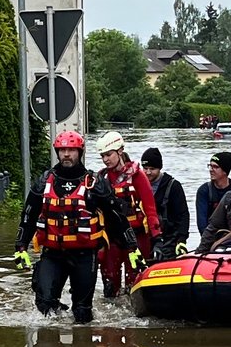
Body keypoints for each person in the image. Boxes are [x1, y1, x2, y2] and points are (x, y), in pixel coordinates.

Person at [15, 131, 139, 325]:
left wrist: (132, 247)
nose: (66, 154)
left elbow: (117, 218)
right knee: (45, 306)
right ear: (57, 152)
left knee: (82, 314)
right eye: (62, 150)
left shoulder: (95, 184)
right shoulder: (44, 181)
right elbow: (29, 215)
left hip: (84, 255)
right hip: (52, 254)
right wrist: (20, 246)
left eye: (71, 150)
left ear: (79, 152)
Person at [94, 131, 160, 297]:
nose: (105, 159)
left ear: (120, 151)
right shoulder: (101, 178)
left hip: (137, 238)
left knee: (135, 283)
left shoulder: (137, 176)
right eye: (102, 156)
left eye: (108, 155)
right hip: (112, 238)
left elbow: (150, 209)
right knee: (109, 285)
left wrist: (157, 238)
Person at [139, 147, 190, 260]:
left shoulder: (173, 186)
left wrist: (181, 240)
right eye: (145, 168)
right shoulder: (137, 185)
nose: (148, 172)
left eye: (152, 169)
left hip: (168, 241)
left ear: (160, 168)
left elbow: (183, 215)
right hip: (145, 239)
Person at [195, 151, 231, 238]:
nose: (210, 170)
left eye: (215, 167)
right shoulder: (204, 190)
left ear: (225, 171)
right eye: (210, 166)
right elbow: (202, 224)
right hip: (212, 236)